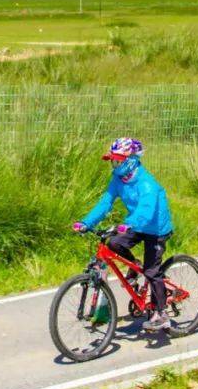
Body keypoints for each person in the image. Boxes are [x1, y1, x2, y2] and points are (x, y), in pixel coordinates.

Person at [72, 137, 175, 332]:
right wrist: (86, 222)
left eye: (119, 160)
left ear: (131, 160)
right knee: (113, 244)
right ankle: (135, 267)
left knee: (152, 271)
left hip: (156, 228)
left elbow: (146, 209)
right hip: (135, 224)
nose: (115, 164)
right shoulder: (118, 180)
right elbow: (105, 202)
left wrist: (128, 224)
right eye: (113, 160)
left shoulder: (146, 183)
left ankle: (161, 314)